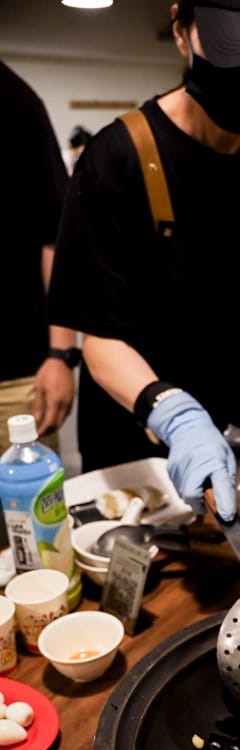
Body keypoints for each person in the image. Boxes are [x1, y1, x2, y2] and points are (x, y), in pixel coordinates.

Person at [48, 0, 240, 521]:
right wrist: (175, 415)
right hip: (137, 431)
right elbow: (99, 337)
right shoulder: (118, 157)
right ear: (182, 31)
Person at [0, 60, 79, 454]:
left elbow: (56, 236)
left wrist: (60, 354)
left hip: (13, 379)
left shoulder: (13, 99)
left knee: (27, 491)